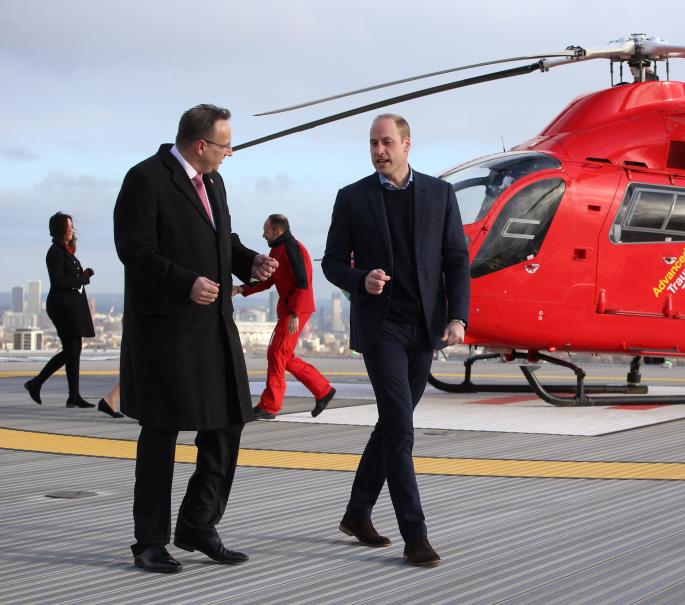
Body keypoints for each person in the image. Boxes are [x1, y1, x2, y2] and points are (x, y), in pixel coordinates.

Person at [113, 104, 278, 574]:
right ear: (200, 145)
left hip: (214, 329)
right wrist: (183, 281)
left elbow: (220, 237)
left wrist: (248, 263)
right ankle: (149, 542)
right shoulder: (144, 179)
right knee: (161, 434)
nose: (230, 153)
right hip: (166, 332)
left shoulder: (214, 181)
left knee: (228, 425)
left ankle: (197, 525)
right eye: (226, 145)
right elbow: (134, 250)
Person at [321, 114, 470, 567]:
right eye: (373, 144)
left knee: (390, 425)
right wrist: (360, 278)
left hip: (424, 330)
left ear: (407, 144)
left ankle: (357, 513)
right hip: (380, 328)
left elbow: (456, 260)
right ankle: (416, 536)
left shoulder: (440, 194)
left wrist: (458, 317)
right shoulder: (352, 198)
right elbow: (330, 262)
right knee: (401, 429)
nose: (379, 151)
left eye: (386, 142)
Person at [234, 214, 335, 420]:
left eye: (266, 230)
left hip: (295, 311)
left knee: (276, 353)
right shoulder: (277, 249)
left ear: (277, 231)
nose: (263, 234)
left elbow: (302, 281)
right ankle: (322, 390)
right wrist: (241, 289)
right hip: (291, 310)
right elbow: (268, 279)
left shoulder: (291, 247)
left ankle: (270, 406)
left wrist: (295, 314)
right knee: (283, 355)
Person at [24, 213, 96, 408]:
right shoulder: (55, 252)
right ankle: (36, 383)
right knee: (72, 349)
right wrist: (82, 278)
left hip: (69, 306)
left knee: (74, 348)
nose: (72, 230)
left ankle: (74, 395)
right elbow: (59, 281)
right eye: (69, 227)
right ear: (61, 230)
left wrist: (83, 275)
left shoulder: (66, 251)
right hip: (61, 307)